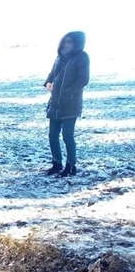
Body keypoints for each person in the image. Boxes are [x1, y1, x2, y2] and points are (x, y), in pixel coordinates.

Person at [44, 31, 89, 178]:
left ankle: (71, 165)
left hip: (70, 103)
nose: (66, 44)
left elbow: (83, 79)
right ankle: (57, 162)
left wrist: (68, 92)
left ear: (77, 43)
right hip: (55, 102)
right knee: (52, 135)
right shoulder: (60, 57)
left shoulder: (81, 57)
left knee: (68, 136)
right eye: (64, 41)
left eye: (69, 41)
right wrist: (48, 83)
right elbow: (51, 74)